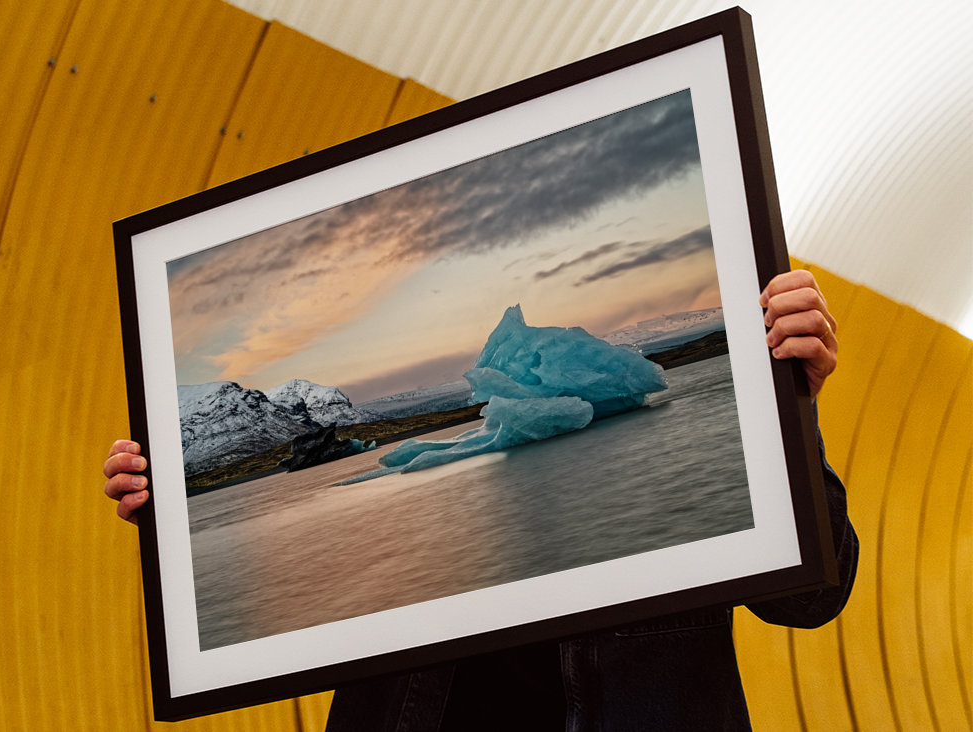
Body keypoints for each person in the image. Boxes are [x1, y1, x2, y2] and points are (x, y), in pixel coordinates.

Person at [103, 269, 858, 730]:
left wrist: (788, 403)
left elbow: (813, 597)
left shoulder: (713, 466)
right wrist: (170, 514)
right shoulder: (432, 529)